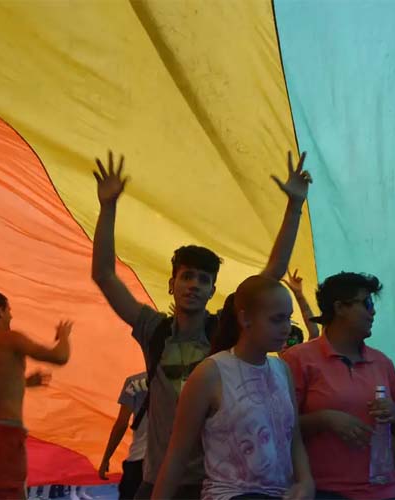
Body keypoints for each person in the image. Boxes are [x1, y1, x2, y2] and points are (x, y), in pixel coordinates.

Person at [91, 150, 312, 498]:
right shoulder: (154, 330)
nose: (194, 284)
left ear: (212, 290)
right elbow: (104, 275)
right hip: (160, 478)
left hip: (213, 483)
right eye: (187, 276)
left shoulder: (221, 331)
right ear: (172, 284)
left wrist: (295, 207)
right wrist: (108, 207)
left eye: (204, 279)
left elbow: (271, 275)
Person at [152, 276, 315, 500]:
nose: (286, 328)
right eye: (277, 320)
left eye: (288, 319)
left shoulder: (282, 370)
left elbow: (293, 438)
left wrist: (306, 483)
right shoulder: (210, 373)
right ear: (245, 319)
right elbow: (177, 455)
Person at [282, 272, 395, 499]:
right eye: (367, 303)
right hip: (325, 491)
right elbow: (279, 427)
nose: (373, 311)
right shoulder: (298, 360)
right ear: (340, 307)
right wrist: (325, 419)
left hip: (384, 491)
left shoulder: (382, 362)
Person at [0, 291, 73, 499]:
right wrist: (64, 335)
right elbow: (60, 356)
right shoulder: (10, 339)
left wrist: (21, 383)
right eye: (9, 310)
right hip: (6, 439)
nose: (11, 316)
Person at [98, 372, 149, 500]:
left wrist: (106, 458)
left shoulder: (134, 383)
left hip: (139, 458)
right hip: (168, 461)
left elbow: (121, 424)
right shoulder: (180, 381)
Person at [282, 269, 320, 343]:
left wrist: (299, 295)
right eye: (281, 341)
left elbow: (314, 332)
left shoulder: (304, 354)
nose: (285, 345)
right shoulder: (265, 354)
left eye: (291, 341)